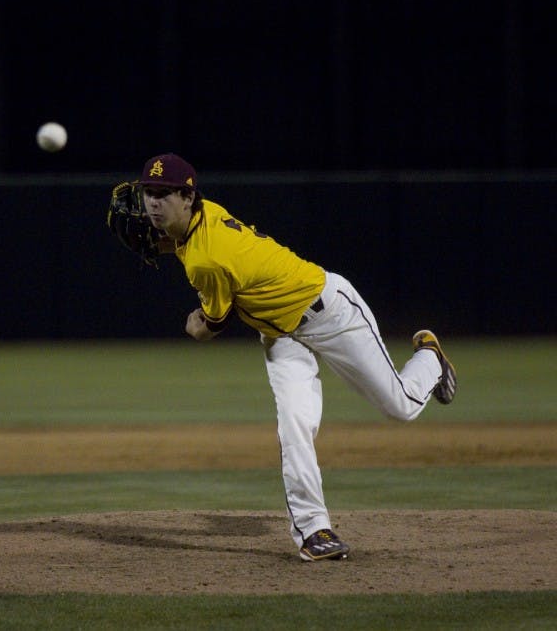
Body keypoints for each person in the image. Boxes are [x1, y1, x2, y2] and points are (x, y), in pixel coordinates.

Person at [107, 153, 457, 561]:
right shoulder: (203, 216)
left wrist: (193, 324)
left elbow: (210, 327)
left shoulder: (207, 259)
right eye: (148, 192)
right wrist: (167, 242)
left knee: (400, 405)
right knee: (294, 425)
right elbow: (188, 244)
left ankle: (430, 355)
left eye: (163, 194)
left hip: (330, 312)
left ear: (187, 197)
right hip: (281, 335)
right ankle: (314, 531)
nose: (152, 202)